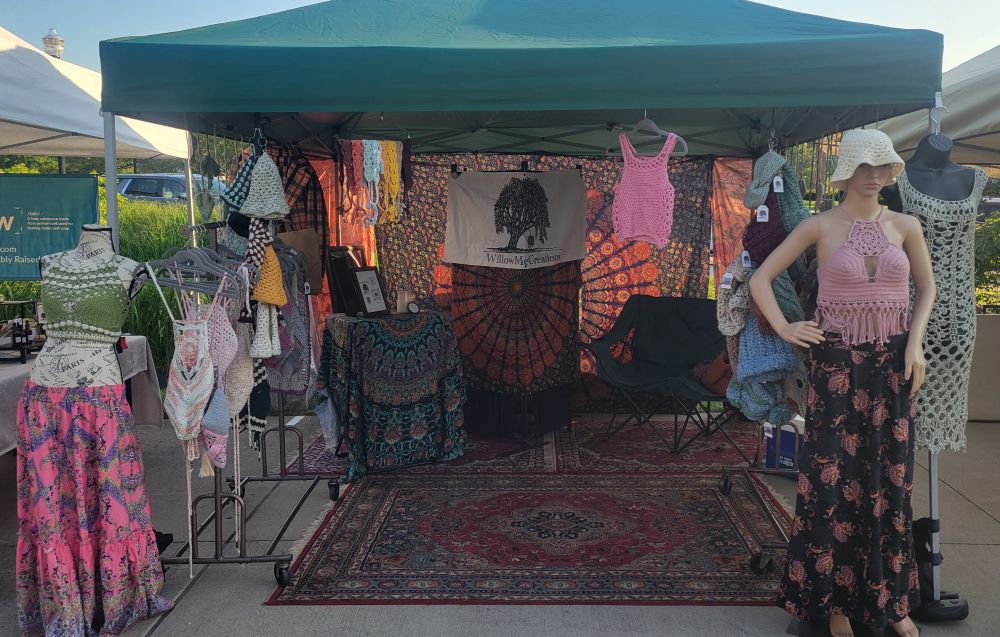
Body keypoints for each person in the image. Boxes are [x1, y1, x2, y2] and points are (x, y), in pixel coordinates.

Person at [749, 130, 934, 637]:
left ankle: (891, 601)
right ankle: (832, 603)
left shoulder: (906, 225)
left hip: (893, 366)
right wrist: (786, 327)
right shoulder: (818, 226)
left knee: (890, 480)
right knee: (831, 481)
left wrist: (914, 344)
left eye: (882, 166)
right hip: (836, 367)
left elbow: (927, 288)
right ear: (845, 172)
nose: (873, 176)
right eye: (863, 166)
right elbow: (760, 278)